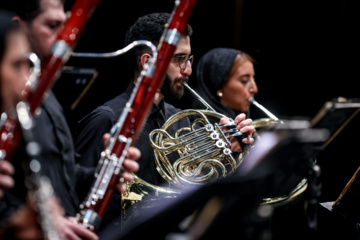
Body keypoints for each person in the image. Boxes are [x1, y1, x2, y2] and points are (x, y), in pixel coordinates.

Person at [74, 12, 255, 231]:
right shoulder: (107, 119)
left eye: (189, 59)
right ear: (147, 63)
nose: (187, 70)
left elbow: (190, 189)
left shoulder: (178, 118)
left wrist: (229, 150)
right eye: (179, 59)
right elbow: (78, 197)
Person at [0, 0, 140, 239]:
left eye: (64, 25)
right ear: (19, 27)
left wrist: (104, 173)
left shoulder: (46, 94)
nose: (66, 39)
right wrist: (29, 221)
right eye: (52, 26)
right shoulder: (11, 96)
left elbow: (61, 171)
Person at [190, 47, 258, 118]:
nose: (255, 89)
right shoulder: (196, 126)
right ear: (219, 86)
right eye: (244, 81)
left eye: (253, 78)